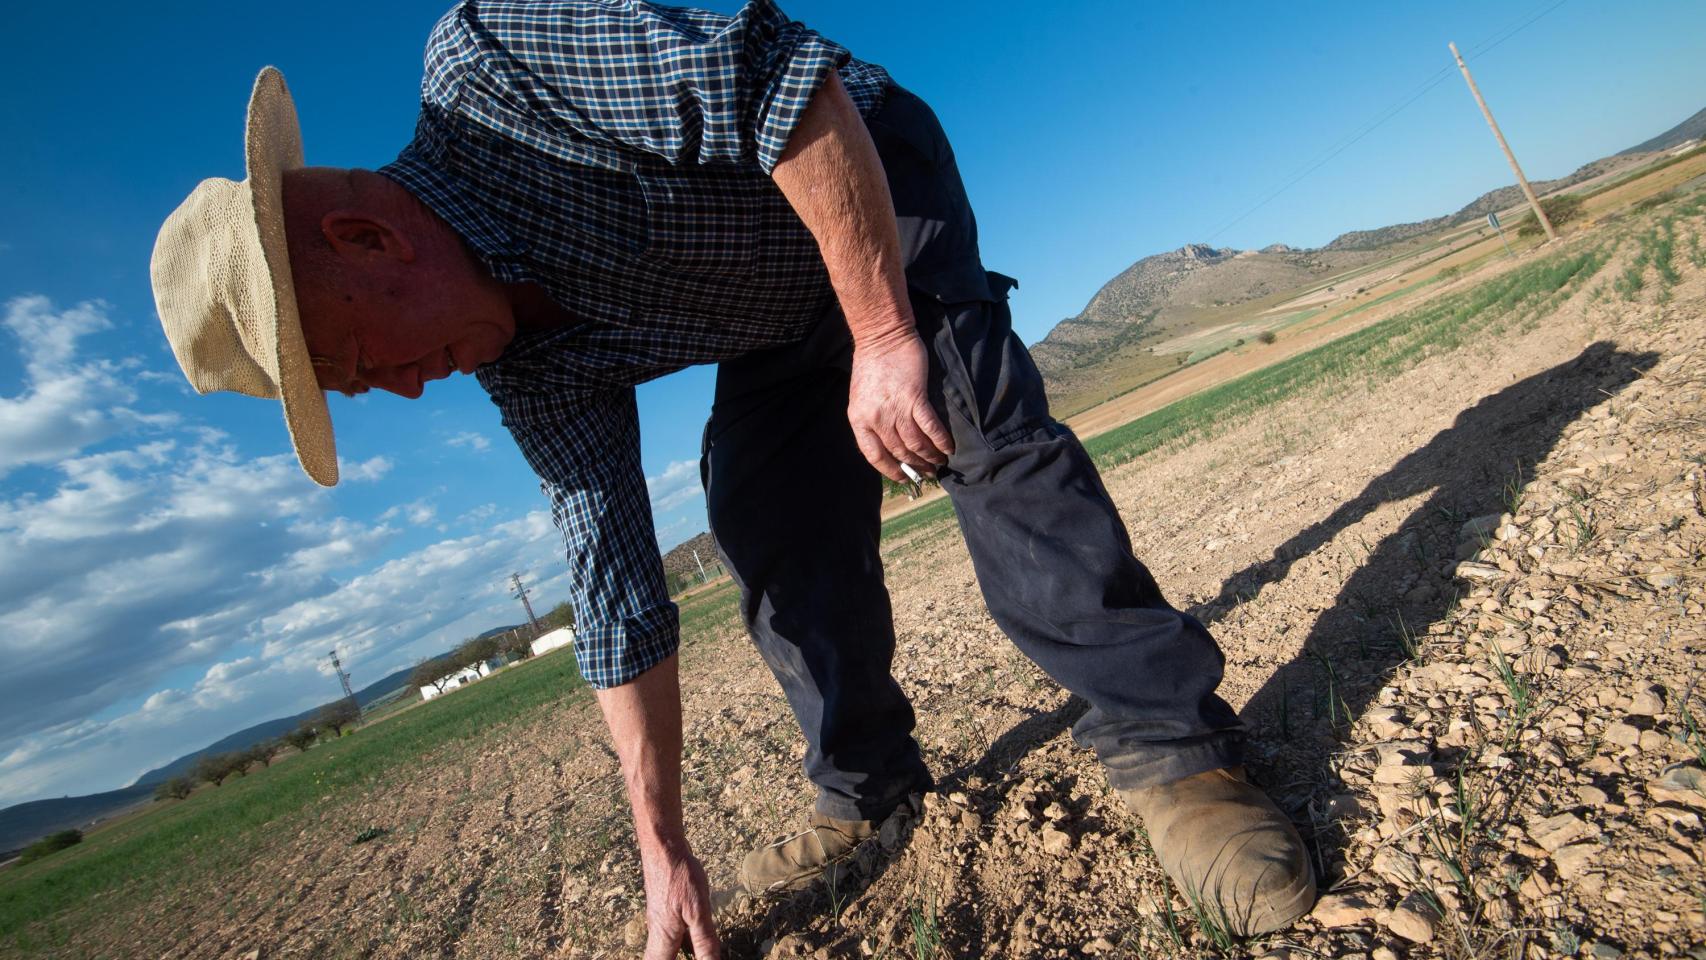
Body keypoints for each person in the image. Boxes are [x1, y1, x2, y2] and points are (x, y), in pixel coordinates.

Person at [150, 2, 1315, 955]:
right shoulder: (527, 368)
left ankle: (1178, 756)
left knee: (964, 418)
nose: (404, 393)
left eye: (359, 365)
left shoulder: (496, 58)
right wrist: (662, 849)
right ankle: (864, 789)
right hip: (764, 314)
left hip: (858, 172)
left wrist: (883, 333)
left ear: (364, 241)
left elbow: (787, 91)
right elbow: (613, 595)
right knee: (766, 525)